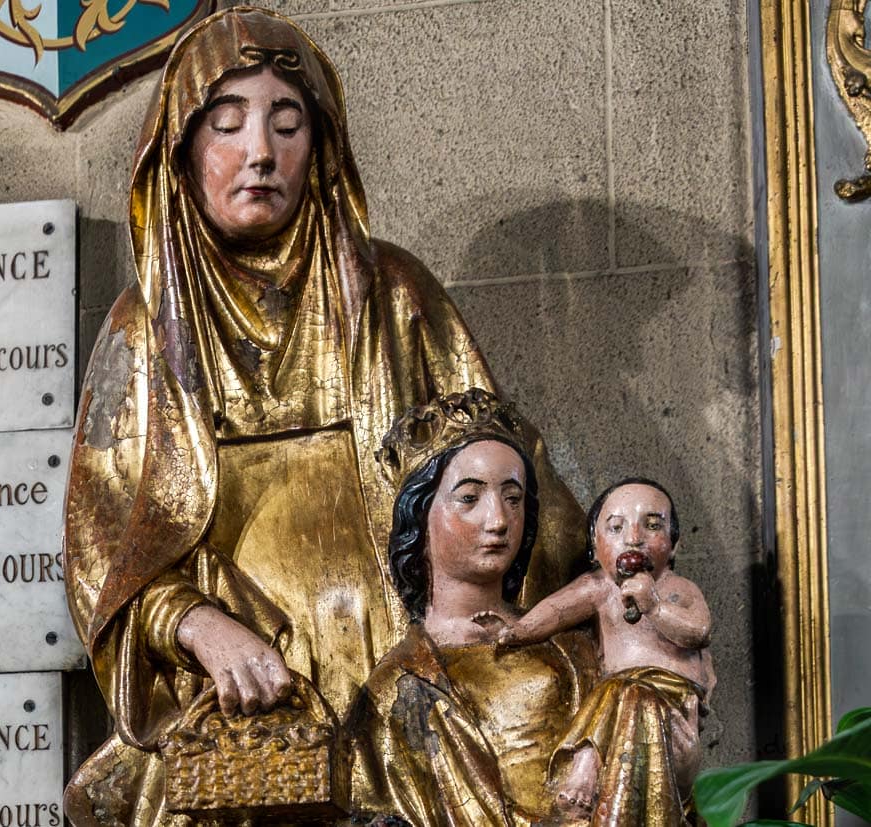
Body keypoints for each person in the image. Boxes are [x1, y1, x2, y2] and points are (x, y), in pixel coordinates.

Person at [62, 8, 586, 824]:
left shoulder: (394, 295)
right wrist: (199, 627)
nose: (260, 152)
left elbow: (516, 485)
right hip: (244, 712)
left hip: (408, 684)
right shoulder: (145, 332)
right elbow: (102, 554)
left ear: (322, 145)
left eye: (287, 123)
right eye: (227, 125)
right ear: (182, 151)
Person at [348, 390, 597, 827]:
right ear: (420, 518)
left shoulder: (575, 654)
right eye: (469, 498)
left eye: (513, 499)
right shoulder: (394, 690)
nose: (498, 520)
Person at [497, 478, 715, 823]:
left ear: (674, 546)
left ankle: (586, 767)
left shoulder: (677, 589)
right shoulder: (599, 588)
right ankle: (586, 766)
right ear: (594, 548)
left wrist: (655, 607)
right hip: (619, 712)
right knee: (620, 690)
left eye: (652, 525)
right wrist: (517, 631)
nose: (634, 538)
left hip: (671, 713)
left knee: (627, 691)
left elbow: (699, 631)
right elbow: (556, 611)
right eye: (616, 527)